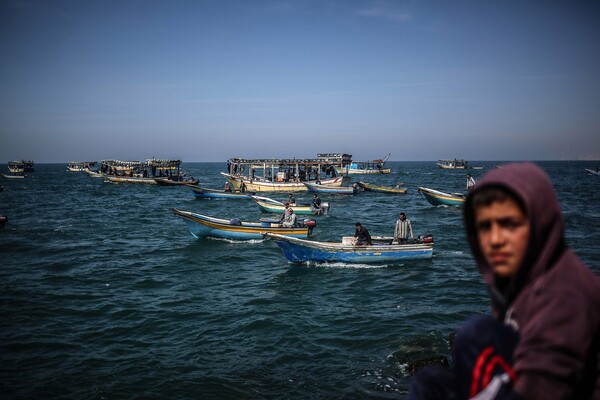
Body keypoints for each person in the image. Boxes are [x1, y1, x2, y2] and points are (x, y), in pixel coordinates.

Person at [408, 162, 600, 400]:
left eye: (509, 224)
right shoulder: (524, 283)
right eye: (485, 226)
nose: (496, 239)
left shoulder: (565, 298)